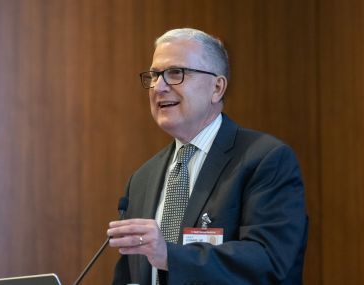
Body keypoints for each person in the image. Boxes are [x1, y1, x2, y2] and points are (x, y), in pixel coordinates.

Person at [107, 28, 308, 285]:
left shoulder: (265, 160)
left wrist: (169, 255)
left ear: (217, 87)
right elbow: (128, 276)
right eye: (155, 75)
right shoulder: (142, 179)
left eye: (176, 73)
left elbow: (270, 260)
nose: (159, 87)